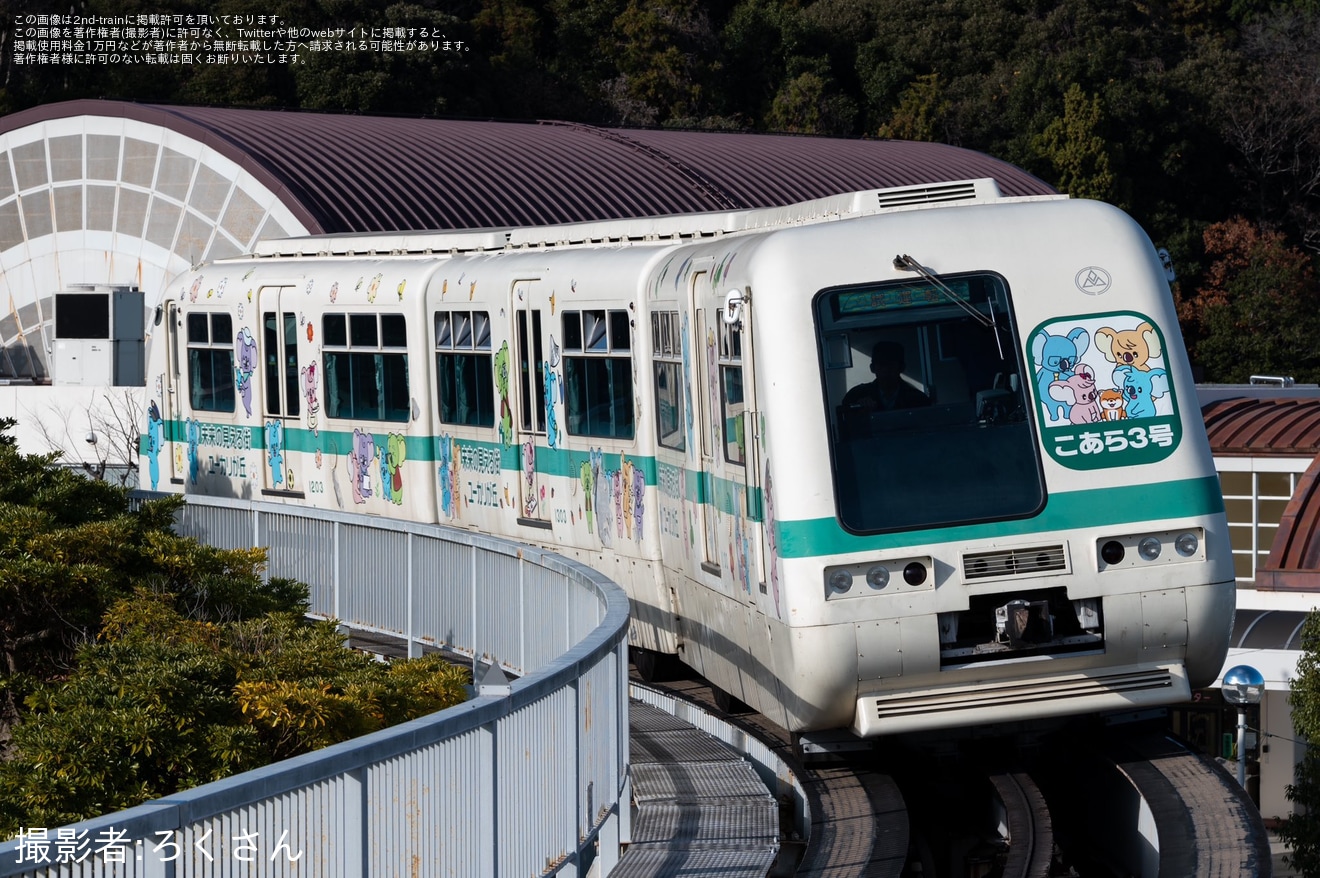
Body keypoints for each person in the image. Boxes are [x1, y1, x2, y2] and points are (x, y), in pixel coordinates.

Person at [841, 340, 930, 412]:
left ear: (901, 367)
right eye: (881, 364)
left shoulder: (918, 399)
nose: (885, 370)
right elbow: (845, 421)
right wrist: (859, 408)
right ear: (872, 368)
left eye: (891, 365)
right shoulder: (856, 396)